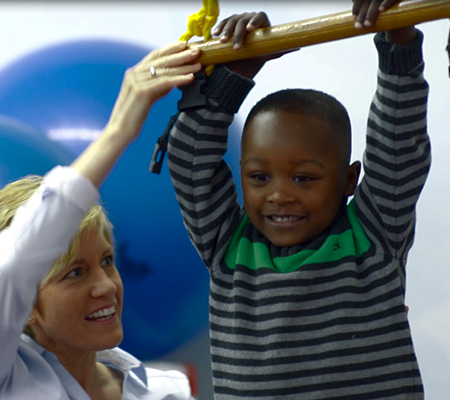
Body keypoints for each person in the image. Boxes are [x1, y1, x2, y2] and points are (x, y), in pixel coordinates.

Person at [166, 0, 429, 398]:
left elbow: (398, 141)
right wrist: (237, 70)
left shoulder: (374, 232)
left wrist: (399, 35)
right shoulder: (227, 244)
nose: (279, 195)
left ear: (349, 180)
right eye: (258, 177)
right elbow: (188, 157)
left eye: (303, 178)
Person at [0, 41, 201, 400]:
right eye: (74, 272)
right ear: (25, 302)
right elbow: (14, 263)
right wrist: (120, 129)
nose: (107, 286)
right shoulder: (11, 381)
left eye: (107, 261)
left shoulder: (166, 393)